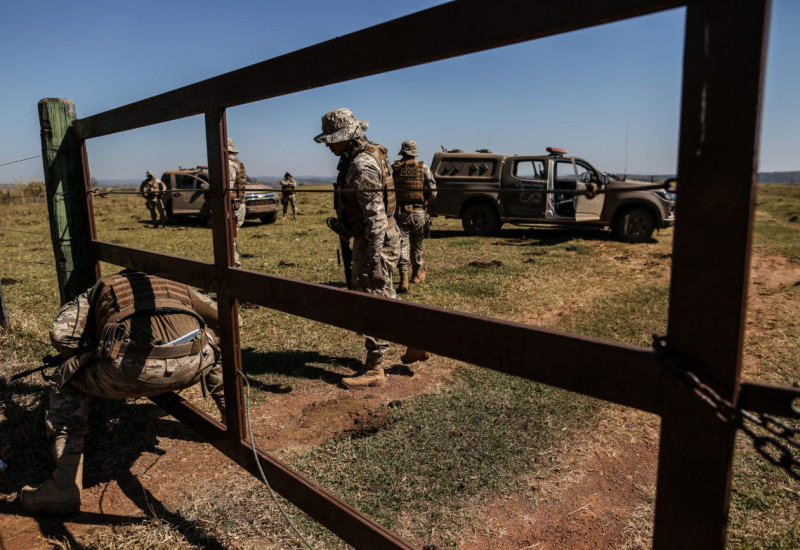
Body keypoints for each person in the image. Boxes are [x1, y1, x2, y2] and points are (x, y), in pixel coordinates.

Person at [17, 272, 227, 514]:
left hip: (127, 370)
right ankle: (231, 420)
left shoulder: (101, 288)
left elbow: (61, 337)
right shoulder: (176, 283)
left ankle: (65, 484)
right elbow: (232, 320)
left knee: (64, 381)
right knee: (213, 342)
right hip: (194, 362)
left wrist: (97, 346)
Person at [314, 108, 429, 388]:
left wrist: (372, 259)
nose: (329, 145)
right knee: (385, 293)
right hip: (379, 235)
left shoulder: (360, 165)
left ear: (348, 137)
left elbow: (375, 217)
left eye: (333, 139)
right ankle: (415, 341)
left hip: (375, 238)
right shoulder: (365, 154)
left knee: (372, 298)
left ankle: (375, 368)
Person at [392, 140, 437, 293]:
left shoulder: (394, 168)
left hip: (401, 212)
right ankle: (416, 274)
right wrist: (427, 198)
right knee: (417, 243)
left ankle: (403, 278)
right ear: (414, 153)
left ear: (402, 152)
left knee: (402, 244)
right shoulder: (423, 168)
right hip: (419, 212)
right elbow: (433, 191)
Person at [227, 138, 248, 267]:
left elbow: (227, 190)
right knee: (231, 239)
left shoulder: (230, 165)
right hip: (236, 206)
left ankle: (235, 266)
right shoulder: (236, 163)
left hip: (232, 207)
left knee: (230, 240)